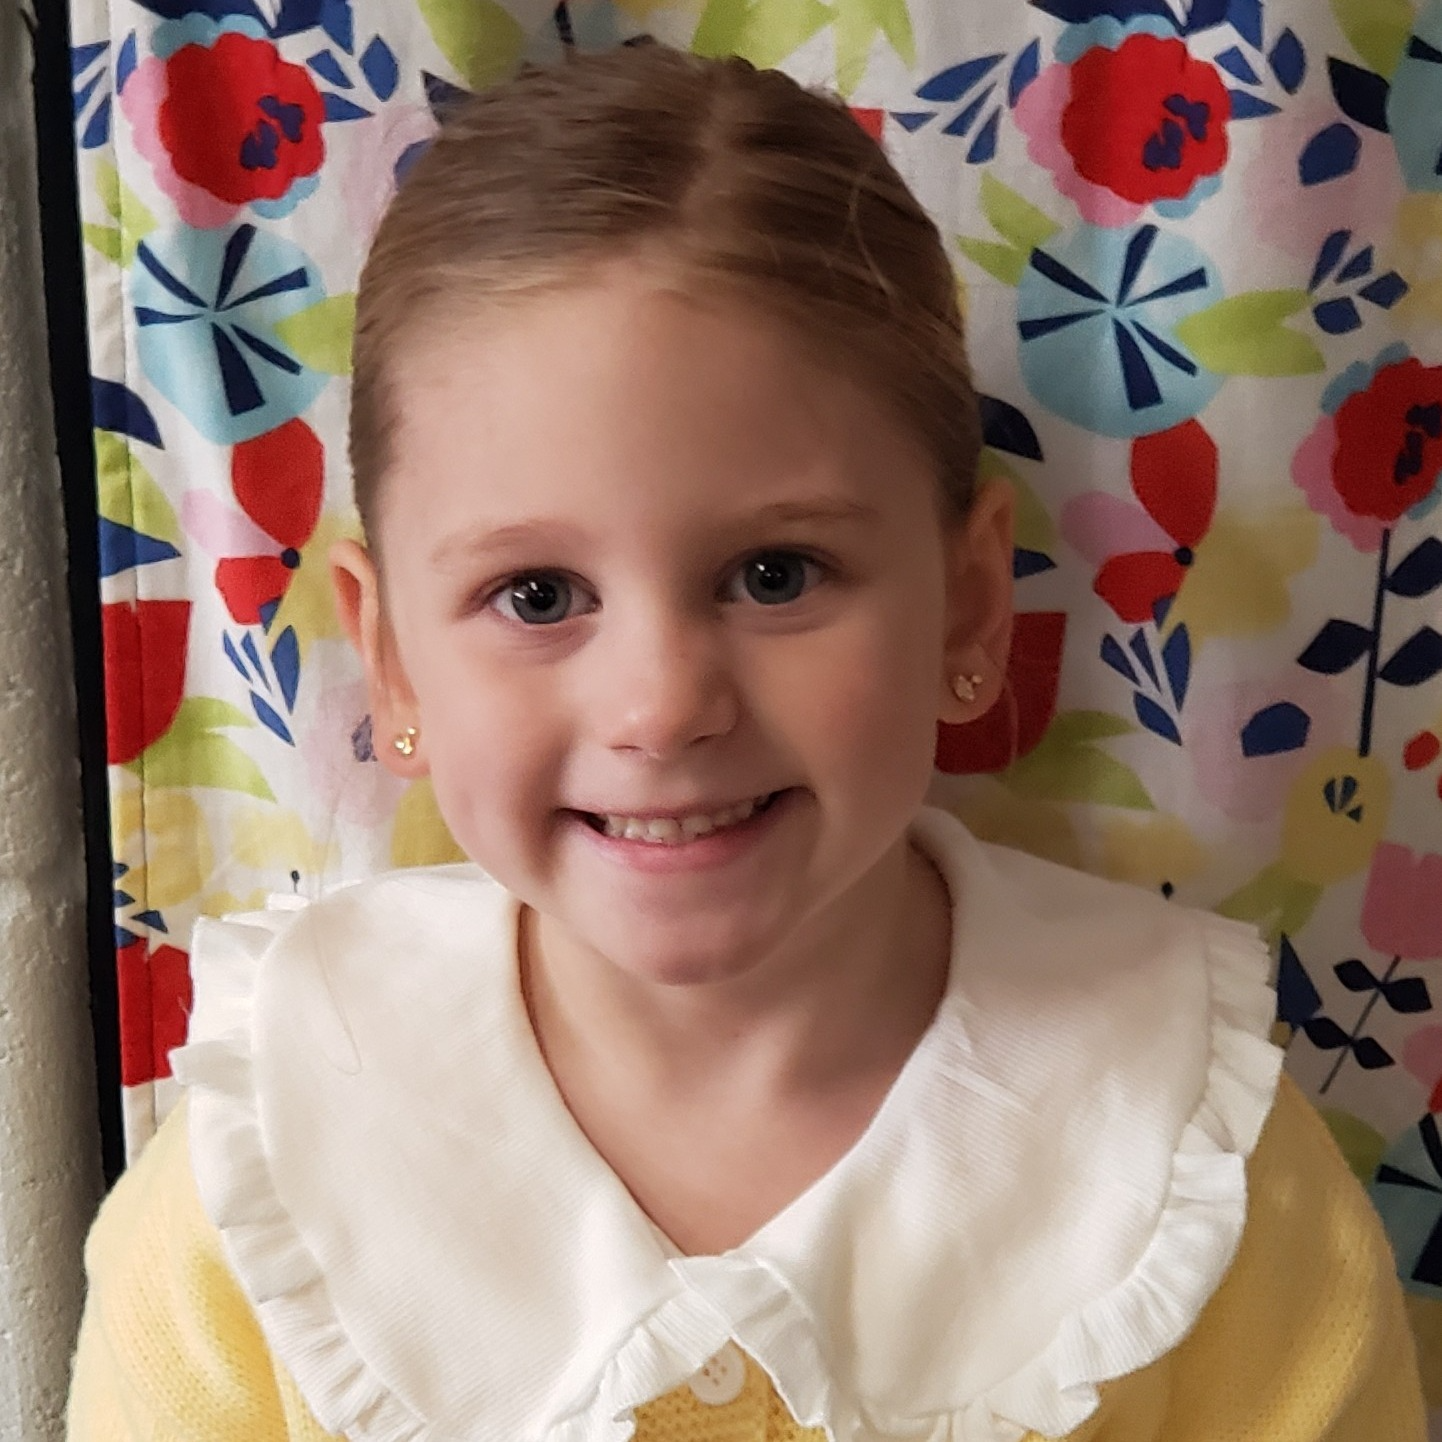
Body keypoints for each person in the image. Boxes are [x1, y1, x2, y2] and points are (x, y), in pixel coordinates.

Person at [67, 42, 1425, 1442]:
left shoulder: (1188, 1154)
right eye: (536, 596)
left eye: (775, 574)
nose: (660, 707)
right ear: (394, 653)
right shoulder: (269, 1160)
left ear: (966, 605)